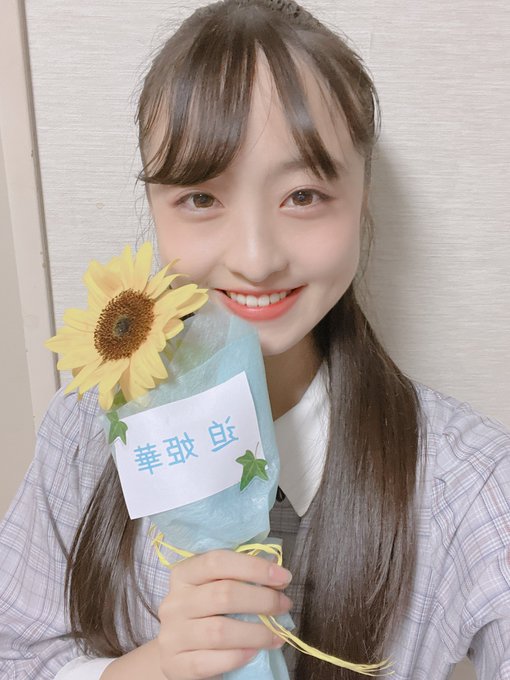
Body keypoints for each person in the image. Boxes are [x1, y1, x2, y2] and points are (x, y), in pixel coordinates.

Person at [1, 1, 509, 679]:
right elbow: (16, 649)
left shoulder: (468, 481)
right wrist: (147, 670)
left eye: (303, 195)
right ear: (154, 207)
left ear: (362, 197)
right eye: (201, 198)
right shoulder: (86, 434)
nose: (255, 257)